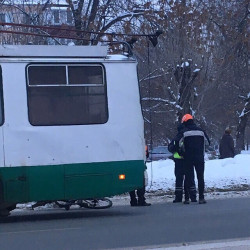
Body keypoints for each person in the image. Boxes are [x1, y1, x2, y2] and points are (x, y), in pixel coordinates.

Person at [175, 114, 210, 204]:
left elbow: (177, 143)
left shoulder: (184, 132)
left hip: (188, 158)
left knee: (188, 177)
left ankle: (187, 198)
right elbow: (208, 142)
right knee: (200, 177)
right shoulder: (201, 131)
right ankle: (201, 198)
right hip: (199, 157)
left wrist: (181, 152)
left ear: (184, 122)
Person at [168, 124, 195, 204]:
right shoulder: (190, 136)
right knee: (190, 179)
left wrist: (176, 151)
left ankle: (178, 197)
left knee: (179, 180)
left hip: (178, 161)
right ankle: (193, 196)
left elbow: (171, 147)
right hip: (188, 160)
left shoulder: (178, 136)